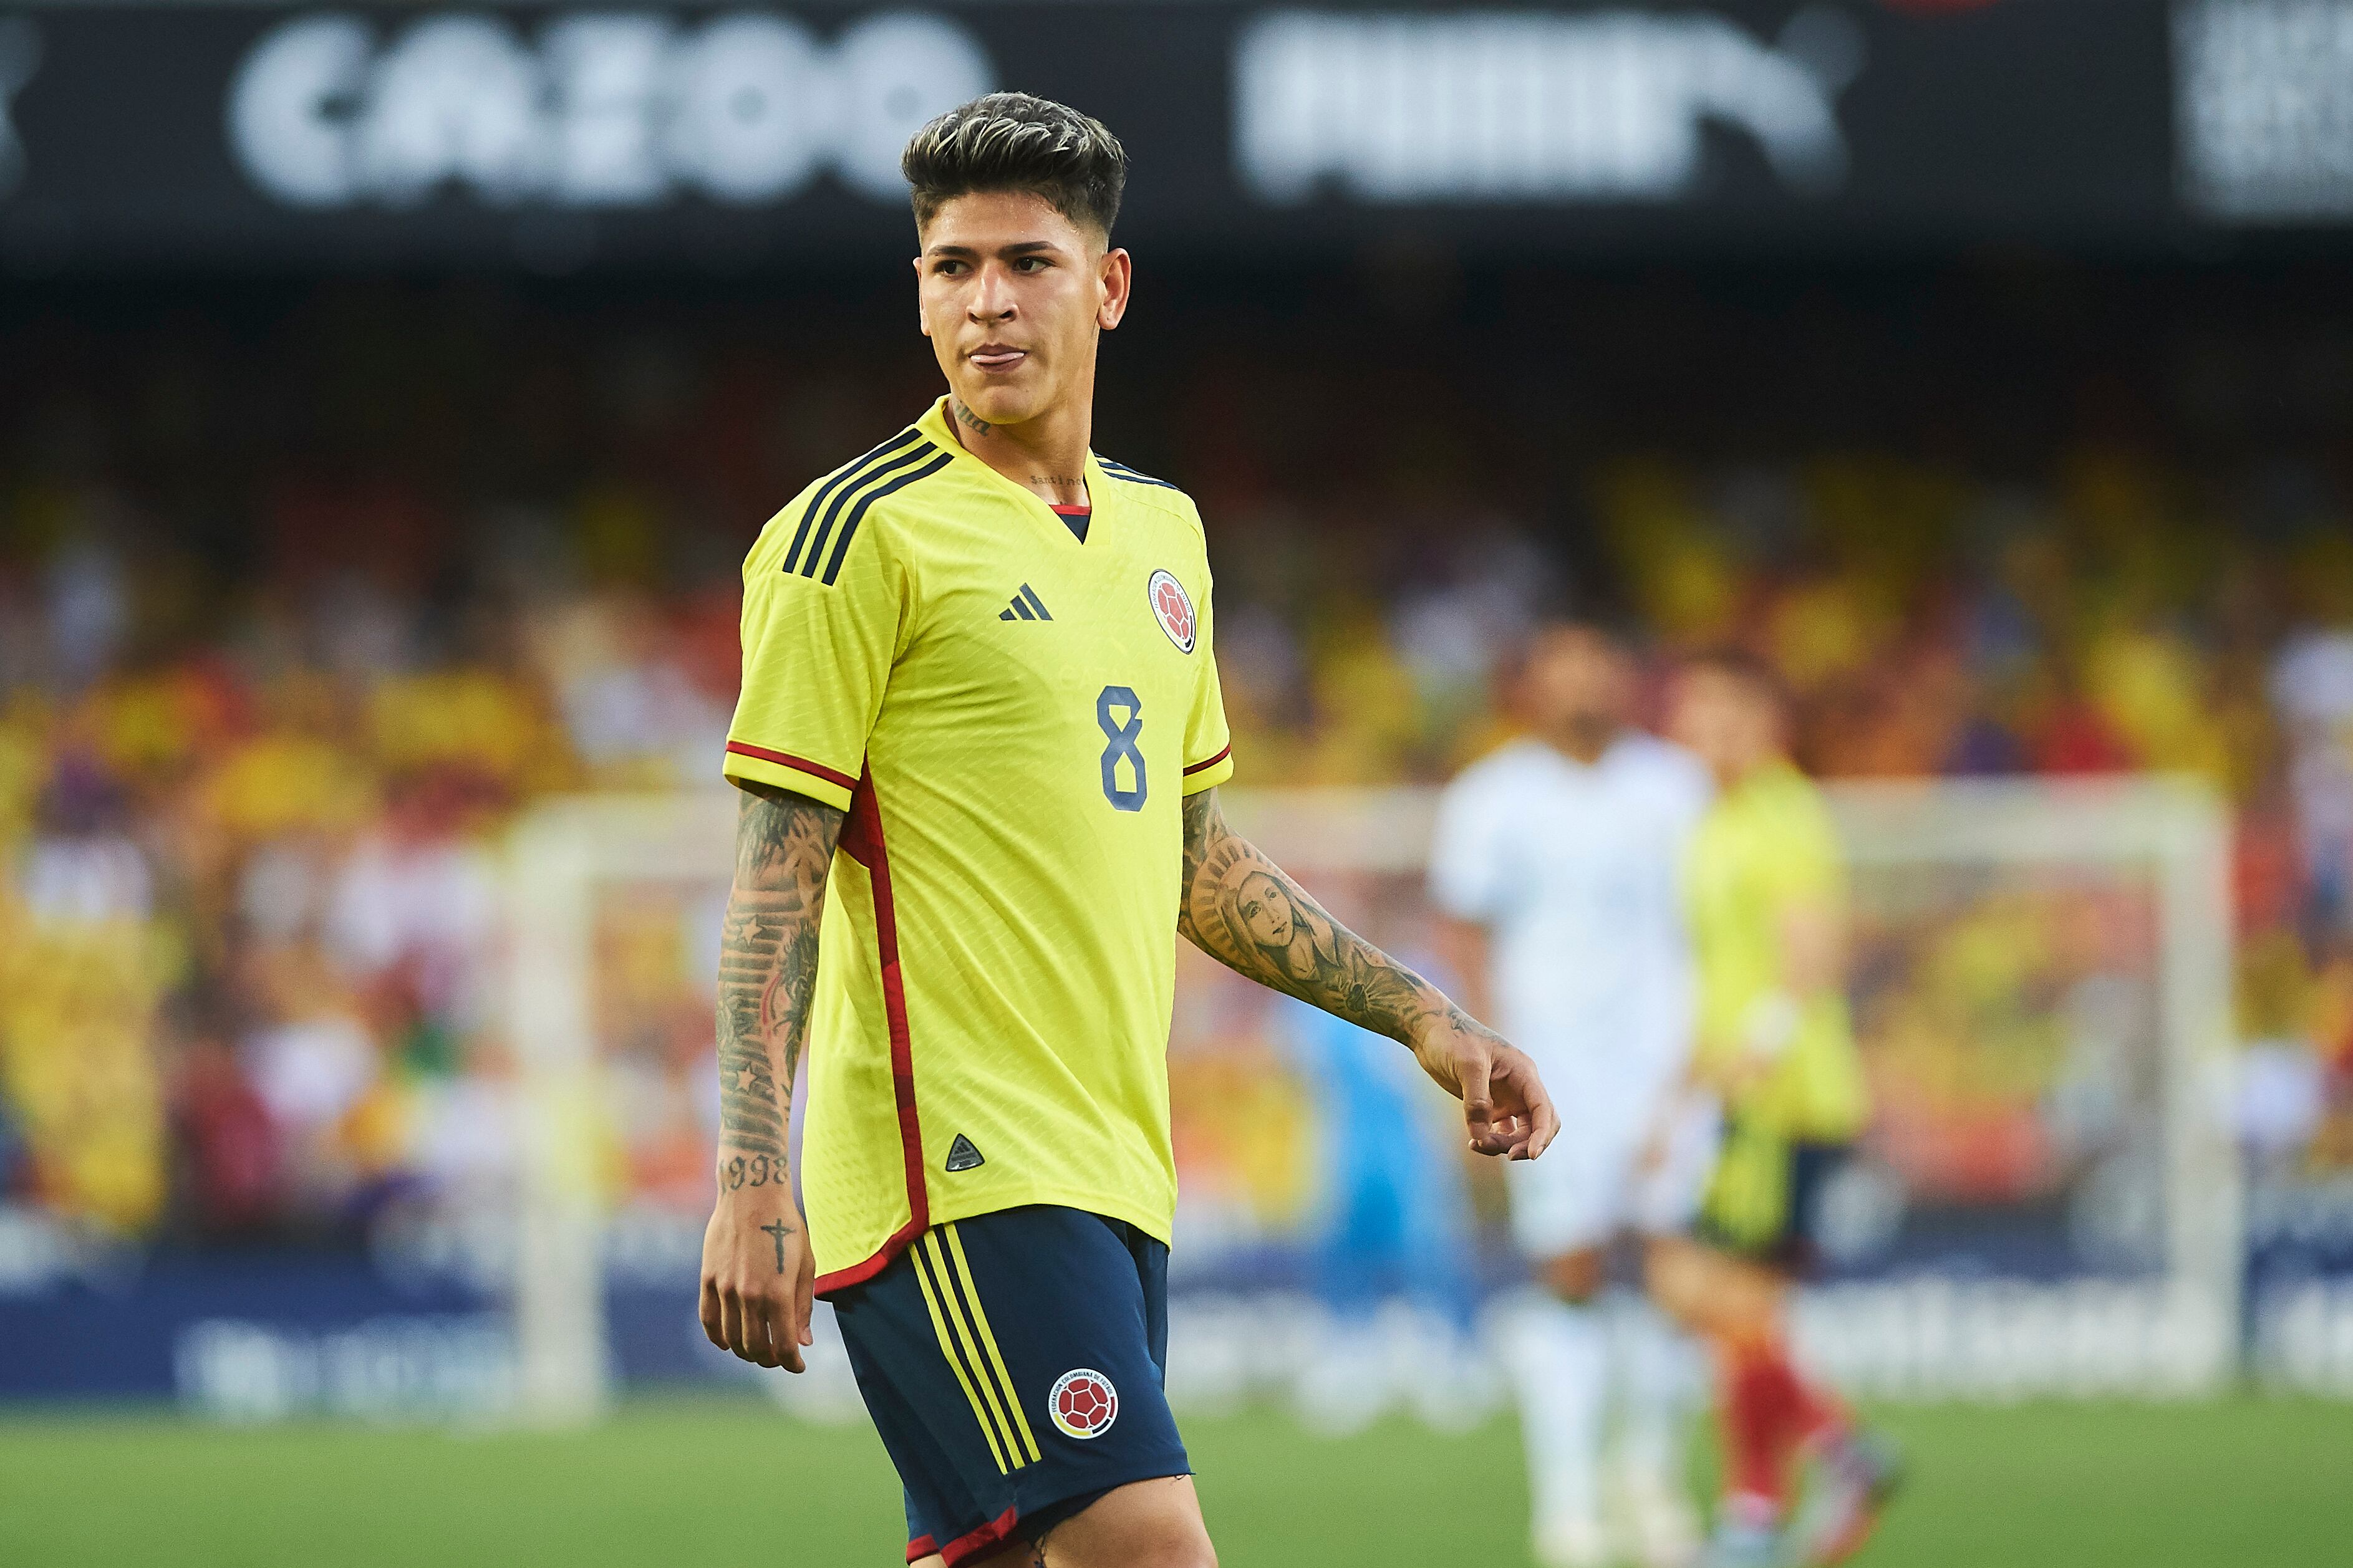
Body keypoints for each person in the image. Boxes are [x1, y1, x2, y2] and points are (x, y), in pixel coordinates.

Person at [696, 94, 1558, 1568]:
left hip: (1109, 1161)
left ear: (1108, 285)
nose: (986, 302)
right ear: (917, 294)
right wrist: (750, 1175)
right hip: (948, 1162)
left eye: (1026, 262)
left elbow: (1195, 859)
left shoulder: (1166, 535)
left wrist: (1424, 1017)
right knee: (1154, 1546)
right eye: (950, 267)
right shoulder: (853, 536)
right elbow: (774, 882)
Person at [1431, 620, 1718, 1568]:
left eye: (1597, 664)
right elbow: (1465, 934)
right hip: (1547, 1065)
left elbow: (1716, 924)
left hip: (1666, 1061)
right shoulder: (1491, 796)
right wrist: (1486, 1056)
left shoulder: (1676, 786)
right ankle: (1567, 1505)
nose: (1581, 684)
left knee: (1671, 1269)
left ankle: (1650, 1479)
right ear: (1531, 682)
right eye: (1561, 668)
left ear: (1624, 676)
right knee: (1569, 1267)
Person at [1648, 650, 1900, 1568]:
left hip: (1781, 1098)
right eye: (1692, 715)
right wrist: (1673, 1105)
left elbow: (1808, 955)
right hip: (1730, 1097)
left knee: (1725, 1303)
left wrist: (1755, 1053)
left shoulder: (1783, 812)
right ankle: (1832, 1458)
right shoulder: (1713, 824)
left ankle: (1756, 1515)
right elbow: (1717, 980)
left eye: (1724, 716)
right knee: (1723, 1308)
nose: (1704, 734)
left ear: (1765, 724)